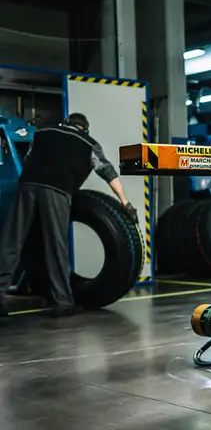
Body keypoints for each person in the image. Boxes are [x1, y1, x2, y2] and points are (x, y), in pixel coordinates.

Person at [0, 113, 137, 317]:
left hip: (27, 185)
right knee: (56, 245)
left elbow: (29, 159)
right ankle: (62, 303)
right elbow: (108, 172)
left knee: (12, 240)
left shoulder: (43, 133)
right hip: (57, 190)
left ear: (65, 123)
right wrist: (125, 202)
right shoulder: (88, 143)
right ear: (84, 129)